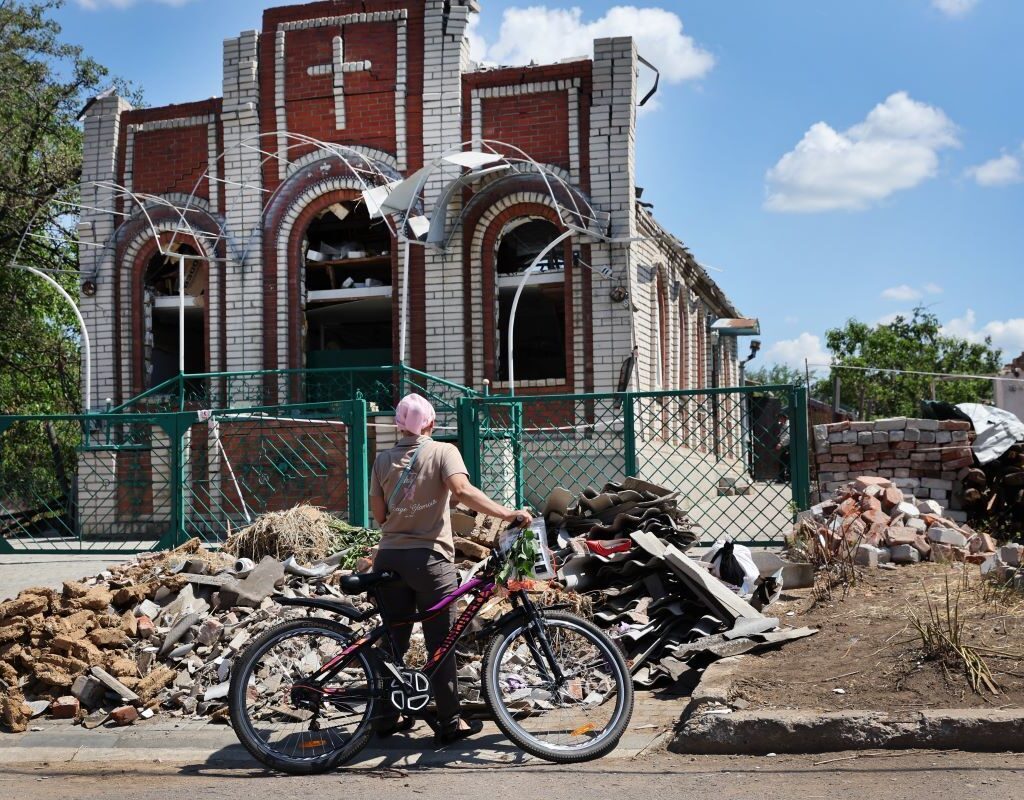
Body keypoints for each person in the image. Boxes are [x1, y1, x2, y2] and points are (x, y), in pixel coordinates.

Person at [369, 393, 532, 744]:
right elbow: (462, 490)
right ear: (430, 423)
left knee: (393, 640)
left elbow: (379, 517)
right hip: (429, 560)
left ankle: (384, 716)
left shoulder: (382, 459)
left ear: (399, 425)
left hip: (389, 559)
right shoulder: (444, 451)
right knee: (440, 642)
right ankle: (448, 722)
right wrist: (507, 514)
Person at [774, 411, 791, 482]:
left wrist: (781, 443)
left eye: (780, 417)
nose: (779, 419)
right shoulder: (784, 425)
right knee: (786, 461)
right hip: (786, 446)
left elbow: (788, 435)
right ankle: (786, 477)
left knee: (783, 461)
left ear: (784, 418)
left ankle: (782, 478)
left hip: (788, 445)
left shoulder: (787, 425)